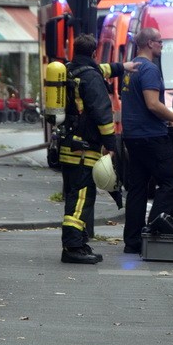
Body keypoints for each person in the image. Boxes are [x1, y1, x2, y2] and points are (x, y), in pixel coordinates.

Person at [59, 33, 132, 264]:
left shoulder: (69, 71)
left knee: (74, 195)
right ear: (93, 53)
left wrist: (121, 67)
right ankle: (72, 248)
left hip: (67, 146)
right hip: (85, 149)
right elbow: (103, 114)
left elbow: (100, 69)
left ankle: (79, 243)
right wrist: (111, 147)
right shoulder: (91, 77)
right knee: (81, 198)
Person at [120, 27, 173, 253]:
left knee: (137, 188)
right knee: (171, 180)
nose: (162, 45)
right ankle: (155, 230)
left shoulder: (131, 69)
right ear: (150, 43)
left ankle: (132, 242)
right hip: (151, 136)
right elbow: (152, 104)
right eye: (160, 41)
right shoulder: (149, 69)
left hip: (132, 135)